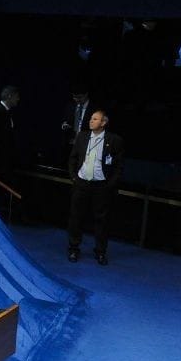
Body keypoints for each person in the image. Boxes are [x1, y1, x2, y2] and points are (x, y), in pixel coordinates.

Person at [67, 109, 124, 265]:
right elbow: (73, 158)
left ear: (103, 122)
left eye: (95, 119)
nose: (91, 121)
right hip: (82, 183)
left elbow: (119, 166)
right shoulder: (82, 136)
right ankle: (73, 248)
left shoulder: (114, 140)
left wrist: (109, 184)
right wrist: (74, 177)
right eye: (91, 118)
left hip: (101, 187)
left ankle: (100, 252)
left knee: (101, 221)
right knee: (76, 217)